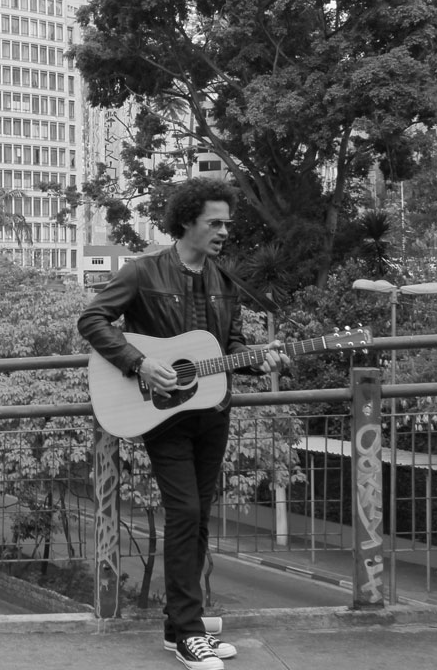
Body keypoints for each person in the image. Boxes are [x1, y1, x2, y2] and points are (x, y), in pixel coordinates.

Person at [78, 178, 289, 670]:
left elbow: (229, 347)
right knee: (185, 514)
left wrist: (259, 360)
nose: (223, 233)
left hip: (213, 411)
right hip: (163, 413)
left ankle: (180, 629)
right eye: (214, 223)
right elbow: (93, 320)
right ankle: (191, 632)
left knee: (197, 520)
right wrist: (139, 363)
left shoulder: (225, 280)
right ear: (187, 222)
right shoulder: (143, 271)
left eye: (226, 224)